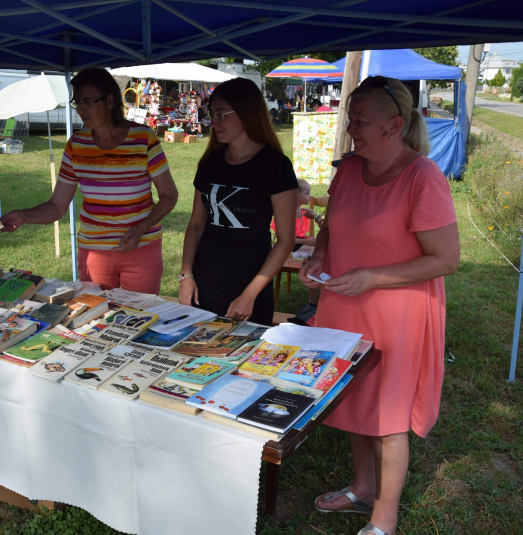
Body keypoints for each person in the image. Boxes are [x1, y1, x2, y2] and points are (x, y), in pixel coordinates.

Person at [299, 76, 459, 535]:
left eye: (361, 121)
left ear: (394, 125)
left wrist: (373, 277)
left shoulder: (422, 177)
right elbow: (332, 223)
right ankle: (363, 488)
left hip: (398, 312)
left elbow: (445, 259)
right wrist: (320, 255)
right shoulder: (349, 168)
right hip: (345, 303)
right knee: (353, 396)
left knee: (388, 414)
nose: (351, 128)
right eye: (350, 118)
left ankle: (383, 521)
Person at [0, 68, 179, 294]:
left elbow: (170, 195)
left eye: (88, 102)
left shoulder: (143, 138)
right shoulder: (76, 145)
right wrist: (23, 216)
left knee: (141, 316)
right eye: (77, 103)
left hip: (141, 248)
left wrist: (141, 228)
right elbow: (57, 206)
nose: (81, 110)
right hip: (94, 252)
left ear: (110, 100)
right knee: (95, 315)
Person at [178, 77, 298, 325]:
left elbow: (286, 241)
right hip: (203, 287)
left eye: (222, 114)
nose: (214, 122)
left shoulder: (275, 166)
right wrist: (186, 275)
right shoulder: (211, 162)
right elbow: (196, 226)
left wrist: (250, 294)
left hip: (250, 290)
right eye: (212, 114)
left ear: (246, 112)